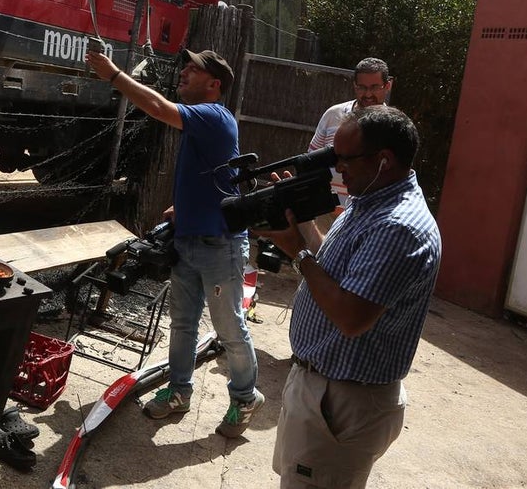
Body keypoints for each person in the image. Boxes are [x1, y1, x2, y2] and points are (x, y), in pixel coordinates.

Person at [85, 47, 263, 436]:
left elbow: (158, 107)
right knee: (183, 323)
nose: (183, 72)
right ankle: (179, 391)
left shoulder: (215, 115)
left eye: (192, 69)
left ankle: (246, 397)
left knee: (230, 327)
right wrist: (181, 207)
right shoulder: (203, 123)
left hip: (220, 245)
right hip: (189, 238)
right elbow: (209, 176)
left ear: (214, 84)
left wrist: (115, 75)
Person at [262, 105, 441, 488]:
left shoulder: (398, 227)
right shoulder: (368, 199)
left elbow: (351, 316)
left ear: (384, 160)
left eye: (344, 159)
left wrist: (299, 254)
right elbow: (338, 266)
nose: (336, 167)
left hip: (343, 403)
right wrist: (300, 222)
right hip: (319, 388)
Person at [308, 57, 393, 209]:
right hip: (323, 212)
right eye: (362, 87)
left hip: (365, 218)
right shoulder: (333, 115)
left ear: (387, 86)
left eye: (374, 87)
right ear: (354, 86)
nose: (367, 94)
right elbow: (311, 163)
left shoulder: (393, 128)